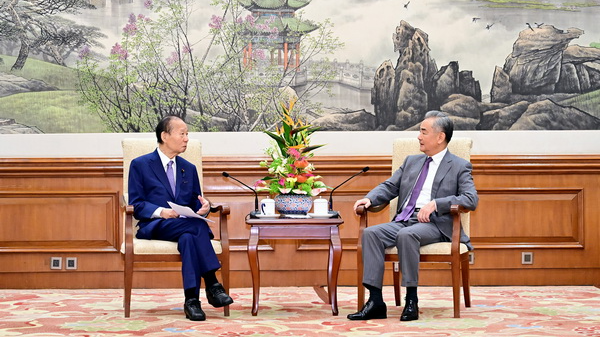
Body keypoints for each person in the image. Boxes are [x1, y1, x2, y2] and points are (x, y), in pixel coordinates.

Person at [347, 110, 478, 322]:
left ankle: (411, 299)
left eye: (423, 132)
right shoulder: (411, 161)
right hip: (405, 219)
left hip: (435, 224)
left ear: (440, 137)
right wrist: (370, 199)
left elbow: (470, 199)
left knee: (407, 235)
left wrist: (437, 204)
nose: (418, 136)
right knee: (371, 234)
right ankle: (376, 301)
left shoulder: (459, 166)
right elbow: (390, 186)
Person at [128, 115, 233, 321]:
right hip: (156, 225)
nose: (186, 139)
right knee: (196, 228)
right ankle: (212, 283)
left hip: (185, 227)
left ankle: (191, 301)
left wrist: (203, 208)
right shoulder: (140, 164)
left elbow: (194, 204)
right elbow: (137, 204)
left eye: (187, 134)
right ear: (165, 136)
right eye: (182, 134)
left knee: (189, 237)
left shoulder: (189, 168)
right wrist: (161, 211)